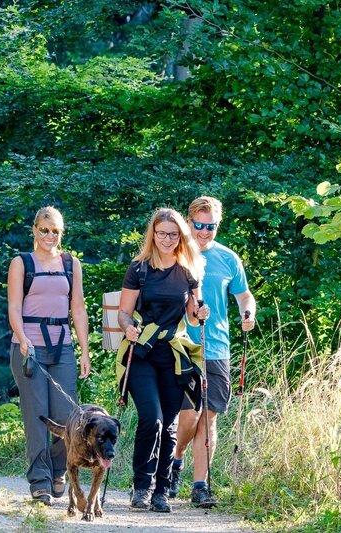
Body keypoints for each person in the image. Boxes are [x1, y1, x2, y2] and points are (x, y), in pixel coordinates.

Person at [117, 207, 209, 513]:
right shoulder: (139, 268)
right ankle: (141, 487)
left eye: (173, 234)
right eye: (161, 234)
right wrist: (128, 326)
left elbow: (194, 319)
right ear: (152, 235)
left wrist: (200, 312)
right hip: (142, 351)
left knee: (169, 424)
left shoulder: (188, 271)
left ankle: (160, 491)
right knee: (152, 419)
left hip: (173, 354)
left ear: (181, 236)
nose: (167, 239)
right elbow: (123, 311)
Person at [168, 196, 256, 508]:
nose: (205, 232)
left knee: (210, 418)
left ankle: (200, 485)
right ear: (188, 223)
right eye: (199, 225)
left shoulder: (229, 259)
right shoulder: (175, 255)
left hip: (217, 348)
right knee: (189, 415)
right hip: (181, 344)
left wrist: (249, 313)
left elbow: (245, 296)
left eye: (211, 226)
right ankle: (175, 459)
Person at [7, 206, 90, 505]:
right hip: (28, 346)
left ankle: (58, 471)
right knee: (37, 416)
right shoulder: (22, 263)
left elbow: (77, 309)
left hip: (62, 346)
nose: (49, 236)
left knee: (66, 416)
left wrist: (84, 351)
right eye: (44, 229)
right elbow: (14, 307)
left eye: (55, 231)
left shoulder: (71, 264)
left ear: (61, 233)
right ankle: (40, 481)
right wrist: (24, 338)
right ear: (34, 230)